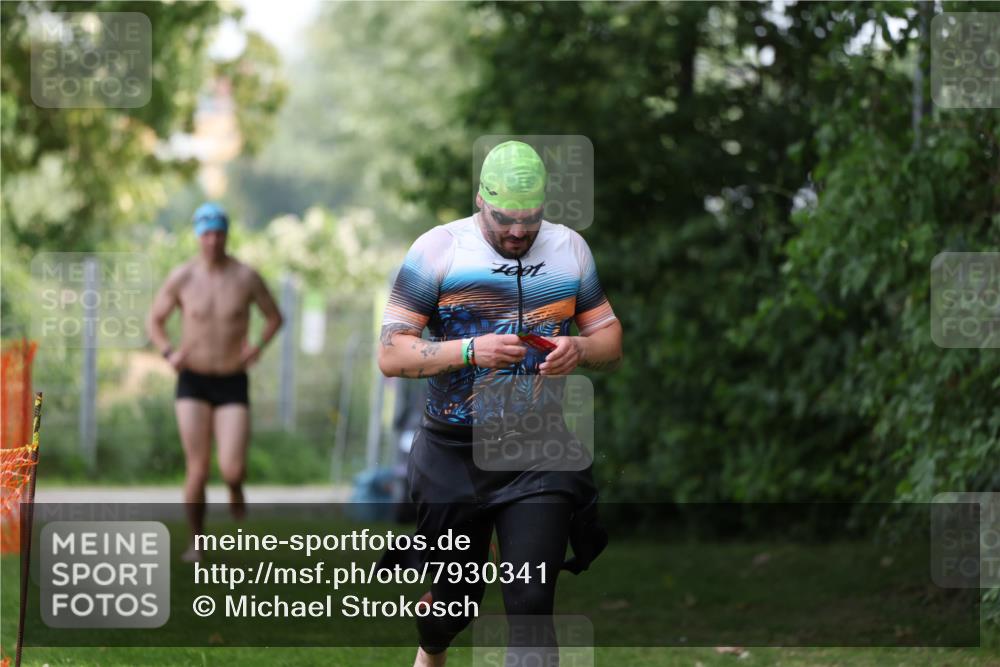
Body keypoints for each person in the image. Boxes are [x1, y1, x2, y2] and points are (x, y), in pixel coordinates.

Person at [377, 141, 623, 667]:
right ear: (480, 202)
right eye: (504, 219)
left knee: (531, 602)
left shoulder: (570, 249)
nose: (517, 232)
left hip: (538, 451)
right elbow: (391, 354)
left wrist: (579, 349)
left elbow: (610, 342)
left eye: (529, 221)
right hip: (452, 454)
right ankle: (432, 646)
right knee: (453, 607)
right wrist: (470, 350)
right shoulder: (438, 250)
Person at [147, 203, 283, 562]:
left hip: (232, 381)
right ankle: (196, 543)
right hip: (192, 380)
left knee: (232, 468)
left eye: (219, 233)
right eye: (206, 234)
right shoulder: (182, 277)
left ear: (227, 235)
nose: (213, 240)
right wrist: (168, 352)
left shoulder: (246, 277)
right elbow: (155, 320)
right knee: (198, 468)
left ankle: (235, 488)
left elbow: (274, 317)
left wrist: (257, 346)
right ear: (197, 236)